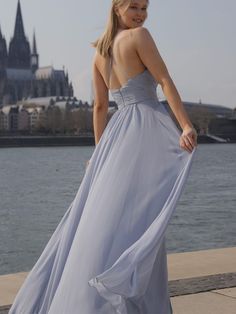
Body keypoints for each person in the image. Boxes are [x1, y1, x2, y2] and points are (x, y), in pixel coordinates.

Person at [9, 0, 197, 313]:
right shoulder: (141, 37)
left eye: (145, 8)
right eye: (134, 6)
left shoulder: (98, 53)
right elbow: (164, 81)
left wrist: (100, 153)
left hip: (116, 136)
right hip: (144, 130)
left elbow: (99, 108)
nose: (141, 14)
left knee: (106, 219)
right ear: (117, 8)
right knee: (142, 219)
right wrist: (187, 124)